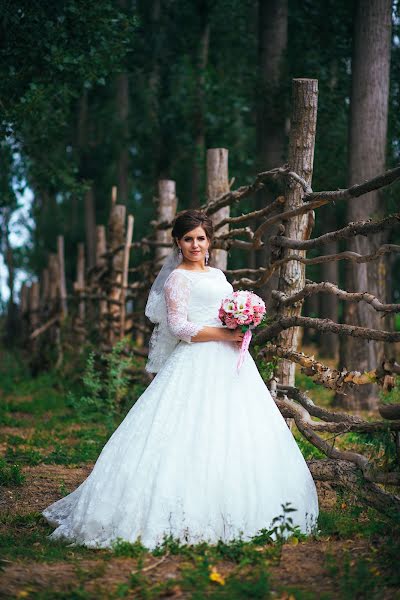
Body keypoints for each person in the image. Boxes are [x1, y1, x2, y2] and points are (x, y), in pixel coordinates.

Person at [42, 209, 319, 550]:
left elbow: (222, 309)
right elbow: (179, 327)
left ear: (209, 241)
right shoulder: (177, 279)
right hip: (196, 360)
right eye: (187, 239)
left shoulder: (218, 275)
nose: (194, 244)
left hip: (232, 363)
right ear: (178, 242)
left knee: (236, 429)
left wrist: (242, 321)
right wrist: (223, 333)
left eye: (200, 238)